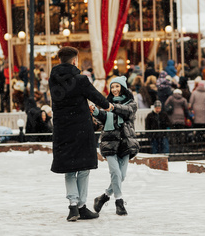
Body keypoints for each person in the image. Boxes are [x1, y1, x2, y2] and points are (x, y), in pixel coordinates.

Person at [49, 46, 110, 222]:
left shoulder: (53, 80)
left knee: (69, 169)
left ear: (60, 60)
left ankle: (73, 206)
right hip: (81, 129)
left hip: (62, 129)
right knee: (83, 168)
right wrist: (108, 106)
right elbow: (95, 96)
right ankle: (82, 206)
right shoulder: (81, 79)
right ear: (75, 60)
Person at [91, 76, 139, 216]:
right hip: (109, 141)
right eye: (112, 87)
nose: (115, 89)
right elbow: (104, 118)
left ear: (122, 87)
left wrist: (111, 107)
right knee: (115, 173)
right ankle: (119, 202)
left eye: (117, 86)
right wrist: (96, 112)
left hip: (125, 142)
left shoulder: (131, 104)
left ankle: (103, 197)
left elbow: (126, 111)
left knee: (121, 176)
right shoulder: (108, 103)